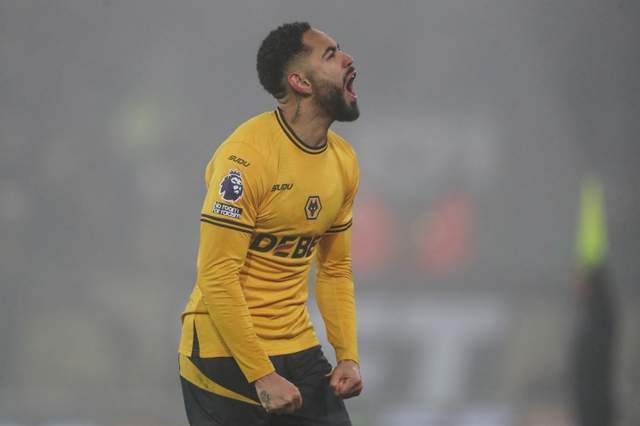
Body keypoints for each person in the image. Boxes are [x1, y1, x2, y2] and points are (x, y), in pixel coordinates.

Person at [178, 22, 363, 425]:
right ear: (300, 82)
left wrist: (347, 355)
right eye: (331, 55)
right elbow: (216, 274)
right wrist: (261, 374)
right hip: (222, 352)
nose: (348, 59)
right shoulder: (246, 158)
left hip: (297, 344)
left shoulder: (344, 161)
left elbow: (334, 268)